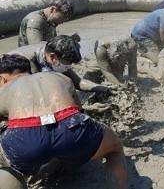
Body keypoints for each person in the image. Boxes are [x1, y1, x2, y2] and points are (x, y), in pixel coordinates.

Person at [0, 54, 127, 188]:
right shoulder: (59, 76)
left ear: (1, 78)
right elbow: (78, 110)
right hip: (71, 126)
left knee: (6, 167)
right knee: (115, 147)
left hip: (25, 140)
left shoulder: (3, 90)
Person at [8, 35, 115, 94]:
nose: (69, 67)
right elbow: (36, 95)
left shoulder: (53, 55)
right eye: (68, 63)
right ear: (53, 57)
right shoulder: (27, 62)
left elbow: (79, 82)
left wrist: (103, 88)